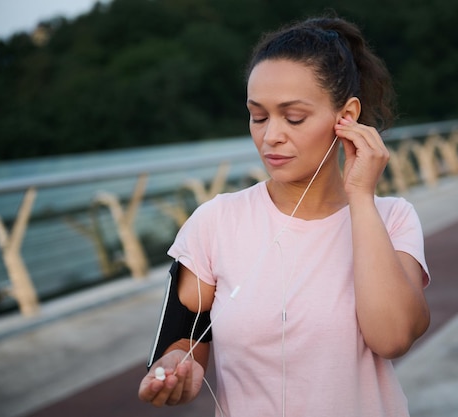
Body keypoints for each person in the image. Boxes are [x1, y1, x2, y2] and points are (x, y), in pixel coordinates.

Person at [138, 15, 430, 417]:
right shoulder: (216, 222)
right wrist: (173, 371)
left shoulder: (393, 219)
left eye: (293, 117)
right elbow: (180, 344)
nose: (270, 135)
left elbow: (393, 337)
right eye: (258, 116)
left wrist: (361, 196)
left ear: (346, 116)